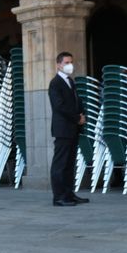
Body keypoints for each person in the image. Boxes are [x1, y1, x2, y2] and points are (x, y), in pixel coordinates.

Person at [48, 52, 89, 207]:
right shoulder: (55, 83)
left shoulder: (70, 81)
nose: (69, 65)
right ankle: (58, 197)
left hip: (73, 129)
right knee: (60, 164)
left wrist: (82, 115)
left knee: (70, 164)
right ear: (58, 65)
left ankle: (69, 194)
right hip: (63, 129)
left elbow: (76, 102)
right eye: (66, 62)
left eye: (71, 62)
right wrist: (76, 118)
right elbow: (59, 106)